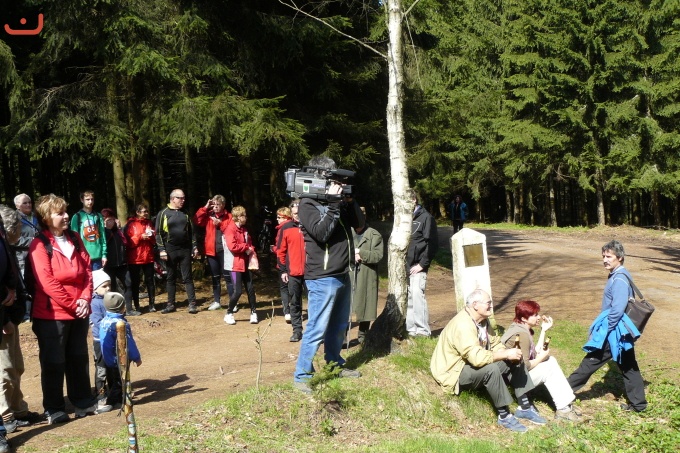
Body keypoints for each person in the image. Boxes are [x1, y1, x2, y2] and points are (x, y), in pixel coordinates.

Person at [293, 156, 365, 395]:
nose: (336, 183)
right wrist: (334, 204)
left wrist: (349, 202)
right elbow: (321, 233)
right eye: (332, 177)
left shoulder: (335, 201)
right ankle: (302, 375)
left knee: (339, 326)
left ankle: (334, 364)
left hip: (342, 273)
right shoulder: (307, 203)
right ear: (319, 177)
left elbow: (359, 225)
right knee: (317, 327)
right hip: (322, 277)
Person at [430, 289, 546, 433]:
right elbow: (476, 358)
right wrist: (504, 354)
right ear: (475, 305)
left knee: (515, 357)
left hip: (470, 362)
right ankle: (504, 416)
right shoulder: (463, 325)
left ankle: (525, 407)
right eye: (488, 303)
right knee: (491, 369)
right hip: (453, 371)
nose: (491, 305)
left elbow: (495, 343)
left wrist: (508, 353)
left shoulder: (484, 321)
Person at [29, 194, 101, 424]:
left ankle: (83, 401)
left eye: (65, 211)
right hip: (51, 314)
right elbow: (47, 282)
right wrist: (73, 304)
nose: (66, 216)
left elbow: (87, 271)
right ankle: (54, 407)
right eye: (59, 213)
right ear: (46, 218)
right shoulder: (39, 244)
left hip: (79, 309)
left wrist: (85, 299)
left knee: (78, 357)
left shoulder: (75, 238)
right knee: (54, 361)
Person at [567, 240, 647, 412]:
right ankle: (638, 405)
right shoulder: (619, 274)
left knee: (589, 363)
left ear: (620, 257)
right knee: (629, 366)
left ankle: (561, 393)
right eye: (603, 256)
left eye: (609, 256)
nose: (605, 260)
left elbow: (617, 310)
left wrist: (605, 331)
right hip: (621, 332)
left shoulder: (619, 279)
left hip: (614, 332)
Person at [501, 300, 581, 421]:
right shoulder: (521, 334)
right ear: (524, 318)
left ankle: (566, 404)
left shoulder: (520, 327)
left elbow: (533, 353)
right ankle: (564, 409)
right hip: (513, 380)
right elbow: (526, 365)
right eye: (535, 315)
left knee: (551, 360)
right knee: (549, 367)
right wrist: (541, 357)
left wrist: (543, 330)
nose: (538, 317)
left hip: (515, 374)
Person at [0, 205, 40, 440]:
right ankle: (5, 415)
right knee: (5, 369)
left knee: (16, 366)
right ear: (11, 228)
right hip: (4, 319)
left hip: (11, 317)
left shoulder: (7, 246)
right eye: (18, 227)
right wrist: (5, 319)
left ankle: (18, 409)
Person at [155, 189, 200, 314]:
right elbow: (158, 233)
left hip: (185, 249)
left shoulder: (185, 212)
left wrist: (194, 247)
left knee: (188, 277)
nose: (183, 200)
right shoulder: (163, 213)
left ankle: (192, 304)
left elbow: (191, 232)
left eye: (184, 198)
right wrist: (161, 250)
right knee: (171, 277)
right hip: (170, 249)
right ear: (172, 199)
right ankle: (170, 304)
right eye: (180, 198)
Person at [99, 292, 142, 409]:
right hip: (118, 358)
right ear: (122, 308)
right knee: (120, 381)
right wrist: (136, 358)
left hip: (107, 357)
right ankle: (112, 402)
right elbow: (129, 343)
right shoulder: (121, 324)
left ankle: (120, 399)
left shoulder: (104, 321)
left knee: (115, 380)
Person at [406, 189, 438, 337]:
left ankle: (423, 331)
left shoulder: (426, 218)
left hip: (418, 265)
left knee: (418, 296)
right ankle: (411, 330)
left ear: (414, 200)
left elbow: (432, 244)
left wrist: (422, 264)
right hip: (406, 266)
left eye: (407, 201)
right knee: (409, 298)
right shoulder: (404, 218)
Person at [192, 195, 233, 311]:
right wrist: (205, 207)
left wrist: (220, 224)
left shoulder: (229, 216)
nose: (215, 207)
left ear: (223, 205)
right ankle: (217, 301)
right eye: (213, 205)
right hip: (211, 251)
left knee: (228, 277)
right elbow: (196, 220)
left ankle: (233, 302)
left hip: (225, 251)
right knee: (215, 277)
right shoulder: (209, 215)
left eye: (218, 205)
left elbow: (232, 230)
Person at [351, 208, 384, 343]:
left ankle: (362, 337)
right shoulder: (347, 232)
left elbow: (378, 255)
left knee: (366, 304)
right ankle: (341, 337)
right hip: (349, 274)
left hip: (366, 275)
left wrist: (361, 253)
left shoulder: (374, 234)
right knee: (345, 306)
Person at [276, 200, 305, 342]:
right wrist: (283, 270)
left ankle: (316, 332)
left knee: (315, 302)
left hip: (311, 271)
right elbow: (280, 251)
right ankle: (297, 330)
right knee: (295, 302)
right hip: (293, 271)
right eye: (294, 213)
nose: (297, 215)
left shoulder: (311, 226)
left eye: (299, 213)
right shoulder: (286, 228)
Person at [223, 206, 258, 325]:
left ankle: (253, 312)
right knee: (237, 291)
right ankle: (229, 313)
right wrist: (246, 247)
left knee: (250, 289)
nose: (246, 218)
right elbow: (232, 246)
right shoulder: (230, 229)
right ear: (238, 217)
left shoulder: (244, 229)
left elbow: (250, 243)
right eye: (244, 216)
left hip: (246, 263)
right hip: (234, 266)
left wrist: (250, 248)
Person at [101, 209, 138, 316]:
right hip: (109, 265)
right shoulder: (102, 233)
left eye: (112, 220)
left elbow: (127, 244)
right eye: (108, 220)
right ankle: (112, 310)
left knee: (128, 284)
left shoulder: (119, 232)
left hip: (122, 264)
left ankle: (129, 309)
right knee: (111, 288)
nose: (110, 222)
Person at [88, 269, 114, 413]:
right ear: (94, 287)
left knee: (113, 367)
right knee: (101, 369)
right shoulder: (94, 303)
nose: (108, 288)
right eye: (104, 286)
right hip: (100, 341)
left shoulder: (110, 300)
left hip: (112, 340)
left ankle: (115, 394)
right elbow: (97, 323)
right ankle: (101, 395)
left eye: (109, 285)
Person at [125, 204, 156, 313]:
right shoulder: (130, 224)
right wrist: (140, 237)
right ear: (137, 212)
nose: (146, 213)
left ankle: (152, 304)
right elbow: (128, 242)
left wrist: (151, 236)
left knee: (150, 281)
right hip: (135, 258)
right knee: (135, 282)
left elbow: (154, 240)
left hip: (148, 257)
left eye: (147, 211)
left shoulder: (149, 223)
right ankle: (137, 306)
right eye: (144, 211)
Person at [14, 194, 40, 322]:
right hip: (22, 257)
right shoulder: (14, 219)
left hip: (37, 256)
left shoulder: (36, 217)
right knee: (24, 285)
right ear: (17, 206)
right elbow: (14, 239)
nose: (28, 204)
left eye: (29, 202)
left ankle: (35, 310)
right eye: (25, 203)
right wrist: (33, 241)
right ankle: (26, 313)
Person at [70, 190, 107, 270]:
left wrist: (104, 254)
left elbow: (102, 236)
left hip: (97, 257)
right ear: (82, 200)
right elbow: (73, 238)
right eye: (87, 199)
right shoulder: (77, 217)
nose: (90, 202)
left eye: (92, 199)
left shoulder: (98, 216)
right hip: (83, 257)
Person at [272, 207, 293, 322]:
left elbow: (281, 249)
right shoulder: (295, 226)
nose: (277, 219)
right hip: (294, 262)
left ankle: (287, 312)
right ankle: (294, 311)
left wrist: (273, 249)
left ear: (285, 217)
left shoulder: (282, 229)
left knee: (284, 288)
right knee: (294, 288)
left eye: (279, 217)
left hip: (284, 263)